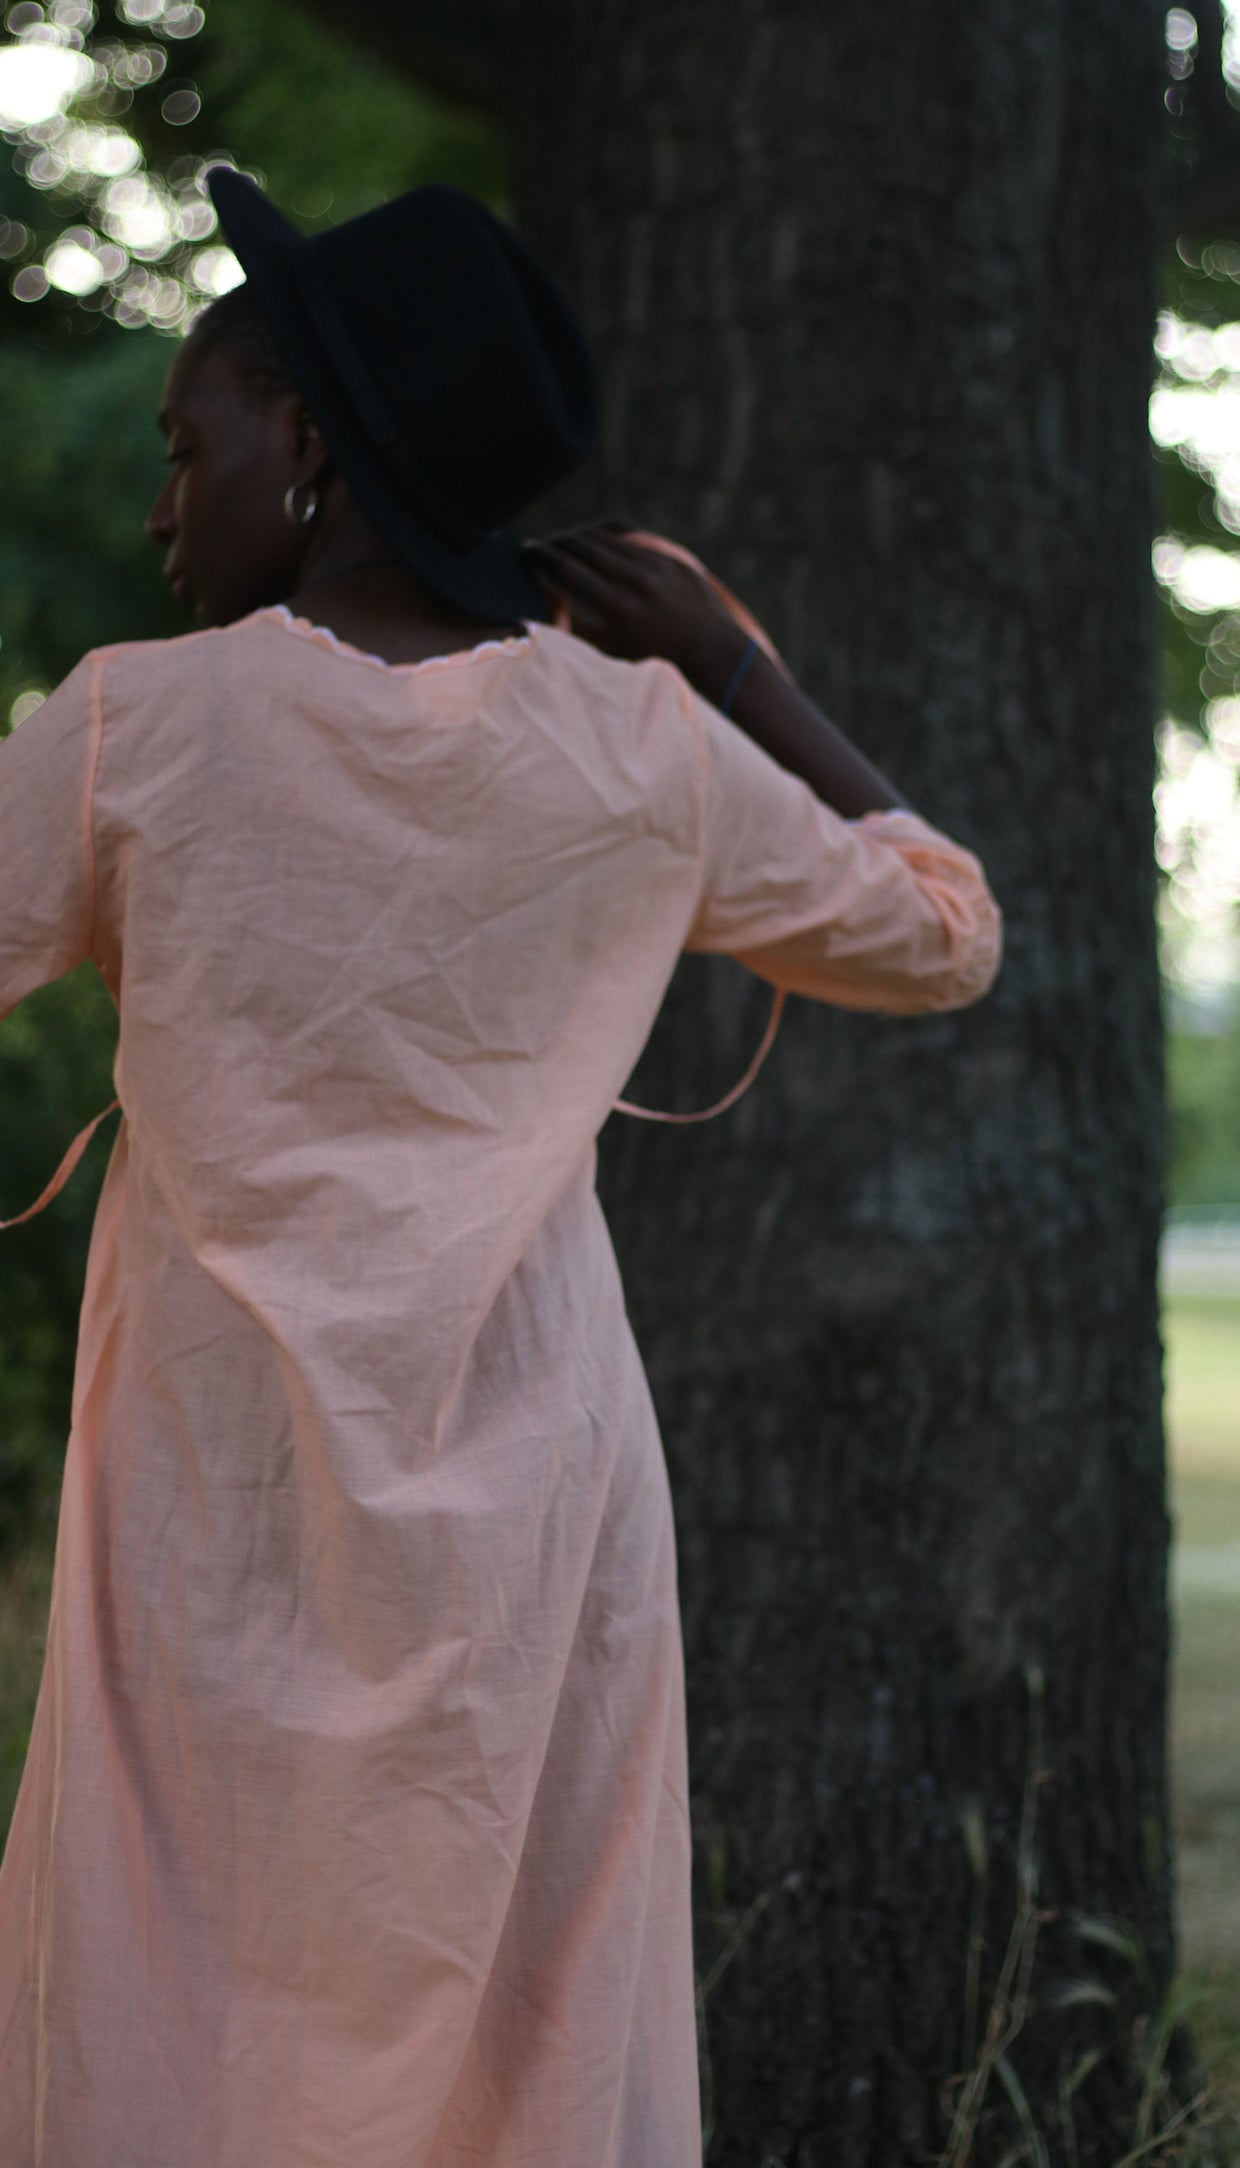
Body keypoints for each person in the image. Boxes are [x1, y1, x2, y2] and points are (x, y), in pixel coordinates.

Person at [0, 171, 1001, 2168]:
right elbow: (944, 931)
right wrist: (736, 669)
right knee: (519, 1985)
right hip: (539, 1494)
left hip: (214, 1476)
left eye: (192, 445)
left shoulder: (133, 731)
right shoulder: (648, 747)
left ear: (308, 437)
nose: (166, 507)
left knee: (180, 1965)